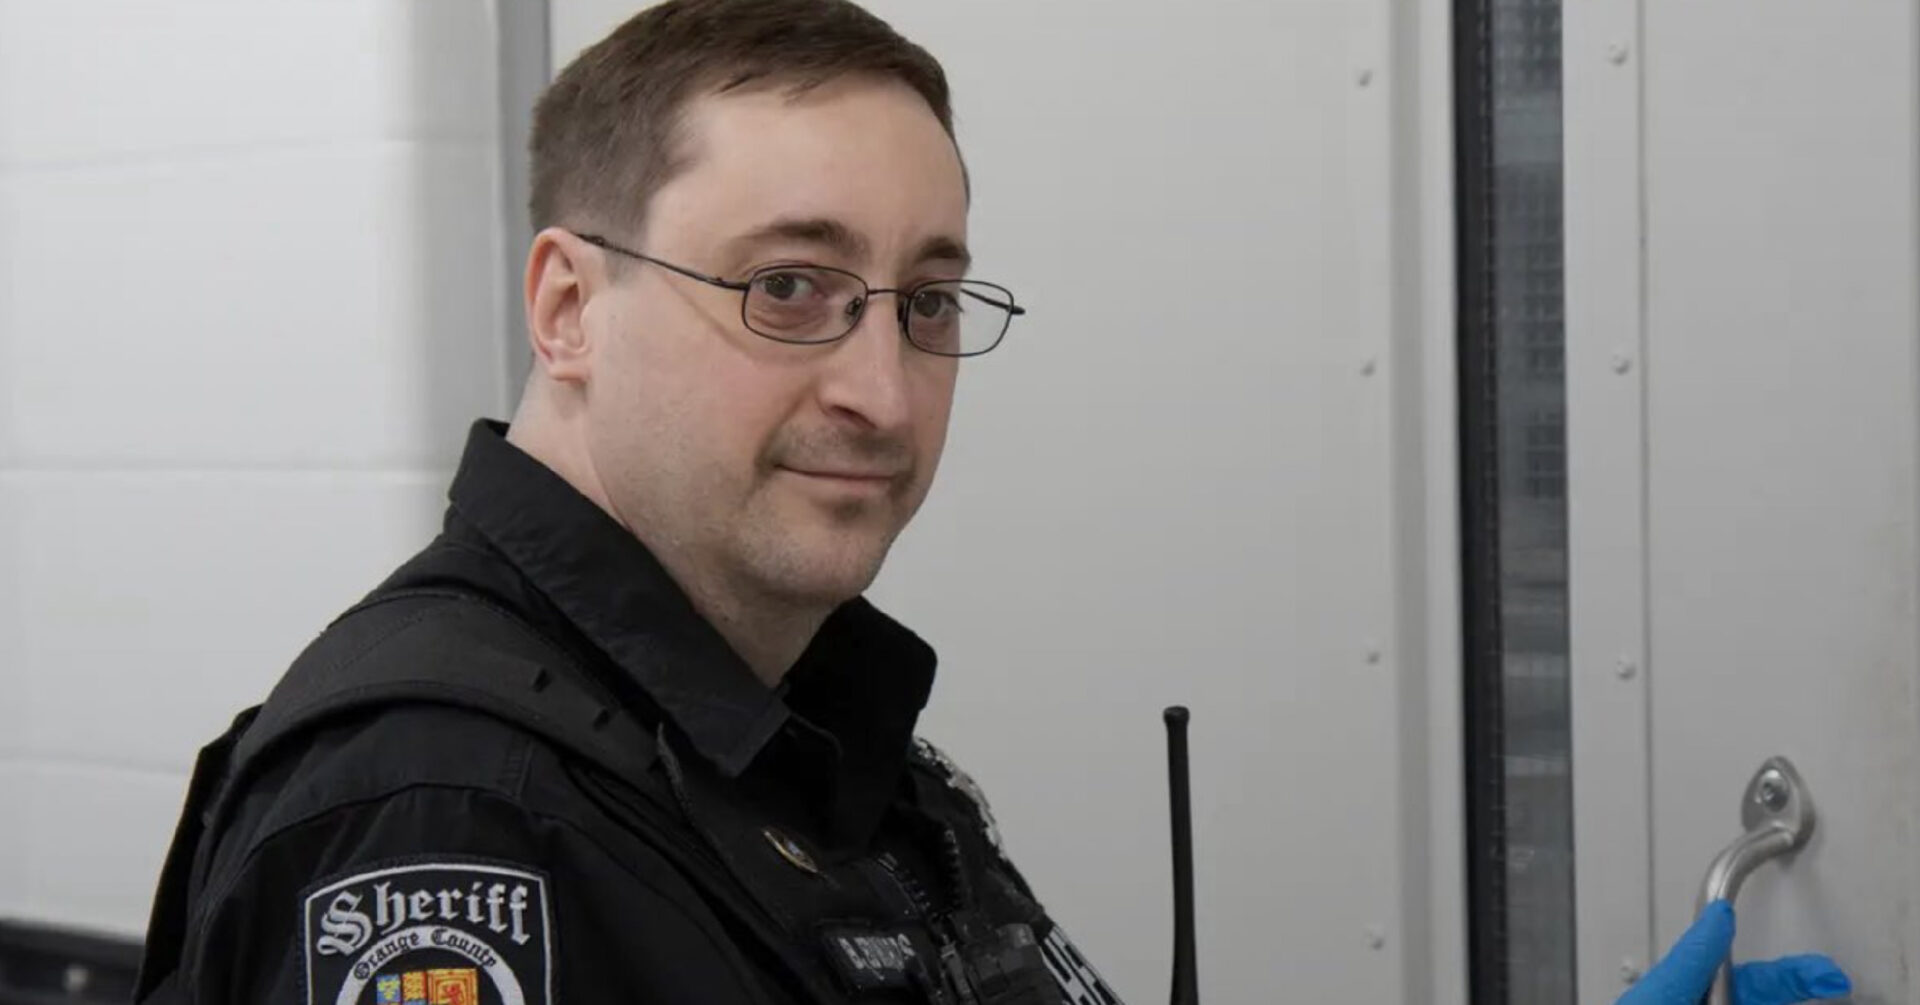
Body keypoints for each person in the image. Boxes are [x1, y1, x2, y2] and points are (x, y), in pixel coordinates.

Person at [130, 1, 1851, 1003]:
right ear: (570, 306)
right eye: (789, 288)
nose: (884, 390)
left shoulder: (802, 737)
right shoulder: (450, 819)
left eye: (930, 299)